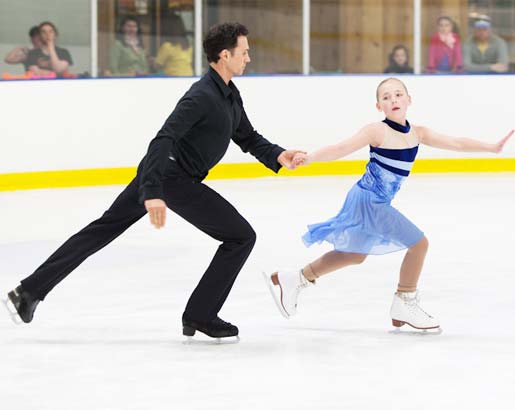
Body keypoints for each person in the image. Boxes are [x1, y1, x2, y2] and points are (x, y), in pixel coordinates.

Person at [5, 22, 302, 340]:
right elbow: (164, 138)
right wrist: (152, 192)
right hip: (171, 177)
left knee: (100, 231)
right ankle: (201, 314)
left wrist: (278, 155)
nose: (248, 58)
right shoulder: (201, 96)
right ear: (224, 55)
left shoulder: (228, 94)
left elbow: (247, 136)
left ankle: (28, 292)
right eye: (244, 52)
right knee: (241, 236)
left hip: (163, 175)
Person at [264, 77, 512, 331]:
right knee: (419, 244)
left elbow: (457, 143)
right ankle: (405, 300)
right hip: (369, 200)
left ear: (409, 100)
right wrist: (310, 158)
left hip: (374, 199)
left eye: (398, 94)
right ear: (378, 106)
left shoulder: (418, 133)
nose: (393, 99)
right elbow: (341, 148)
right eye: (386, 97)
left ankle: (295, 278)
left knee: (354, 254)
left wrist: (491, 147)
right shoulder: (377, 131)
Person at [152, 12, 193, 76]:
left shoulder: (167, 46)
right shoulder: (188, 45)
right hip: (189, 78)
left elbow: (157, 66)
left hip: (174, 80)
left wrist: (151, 61)